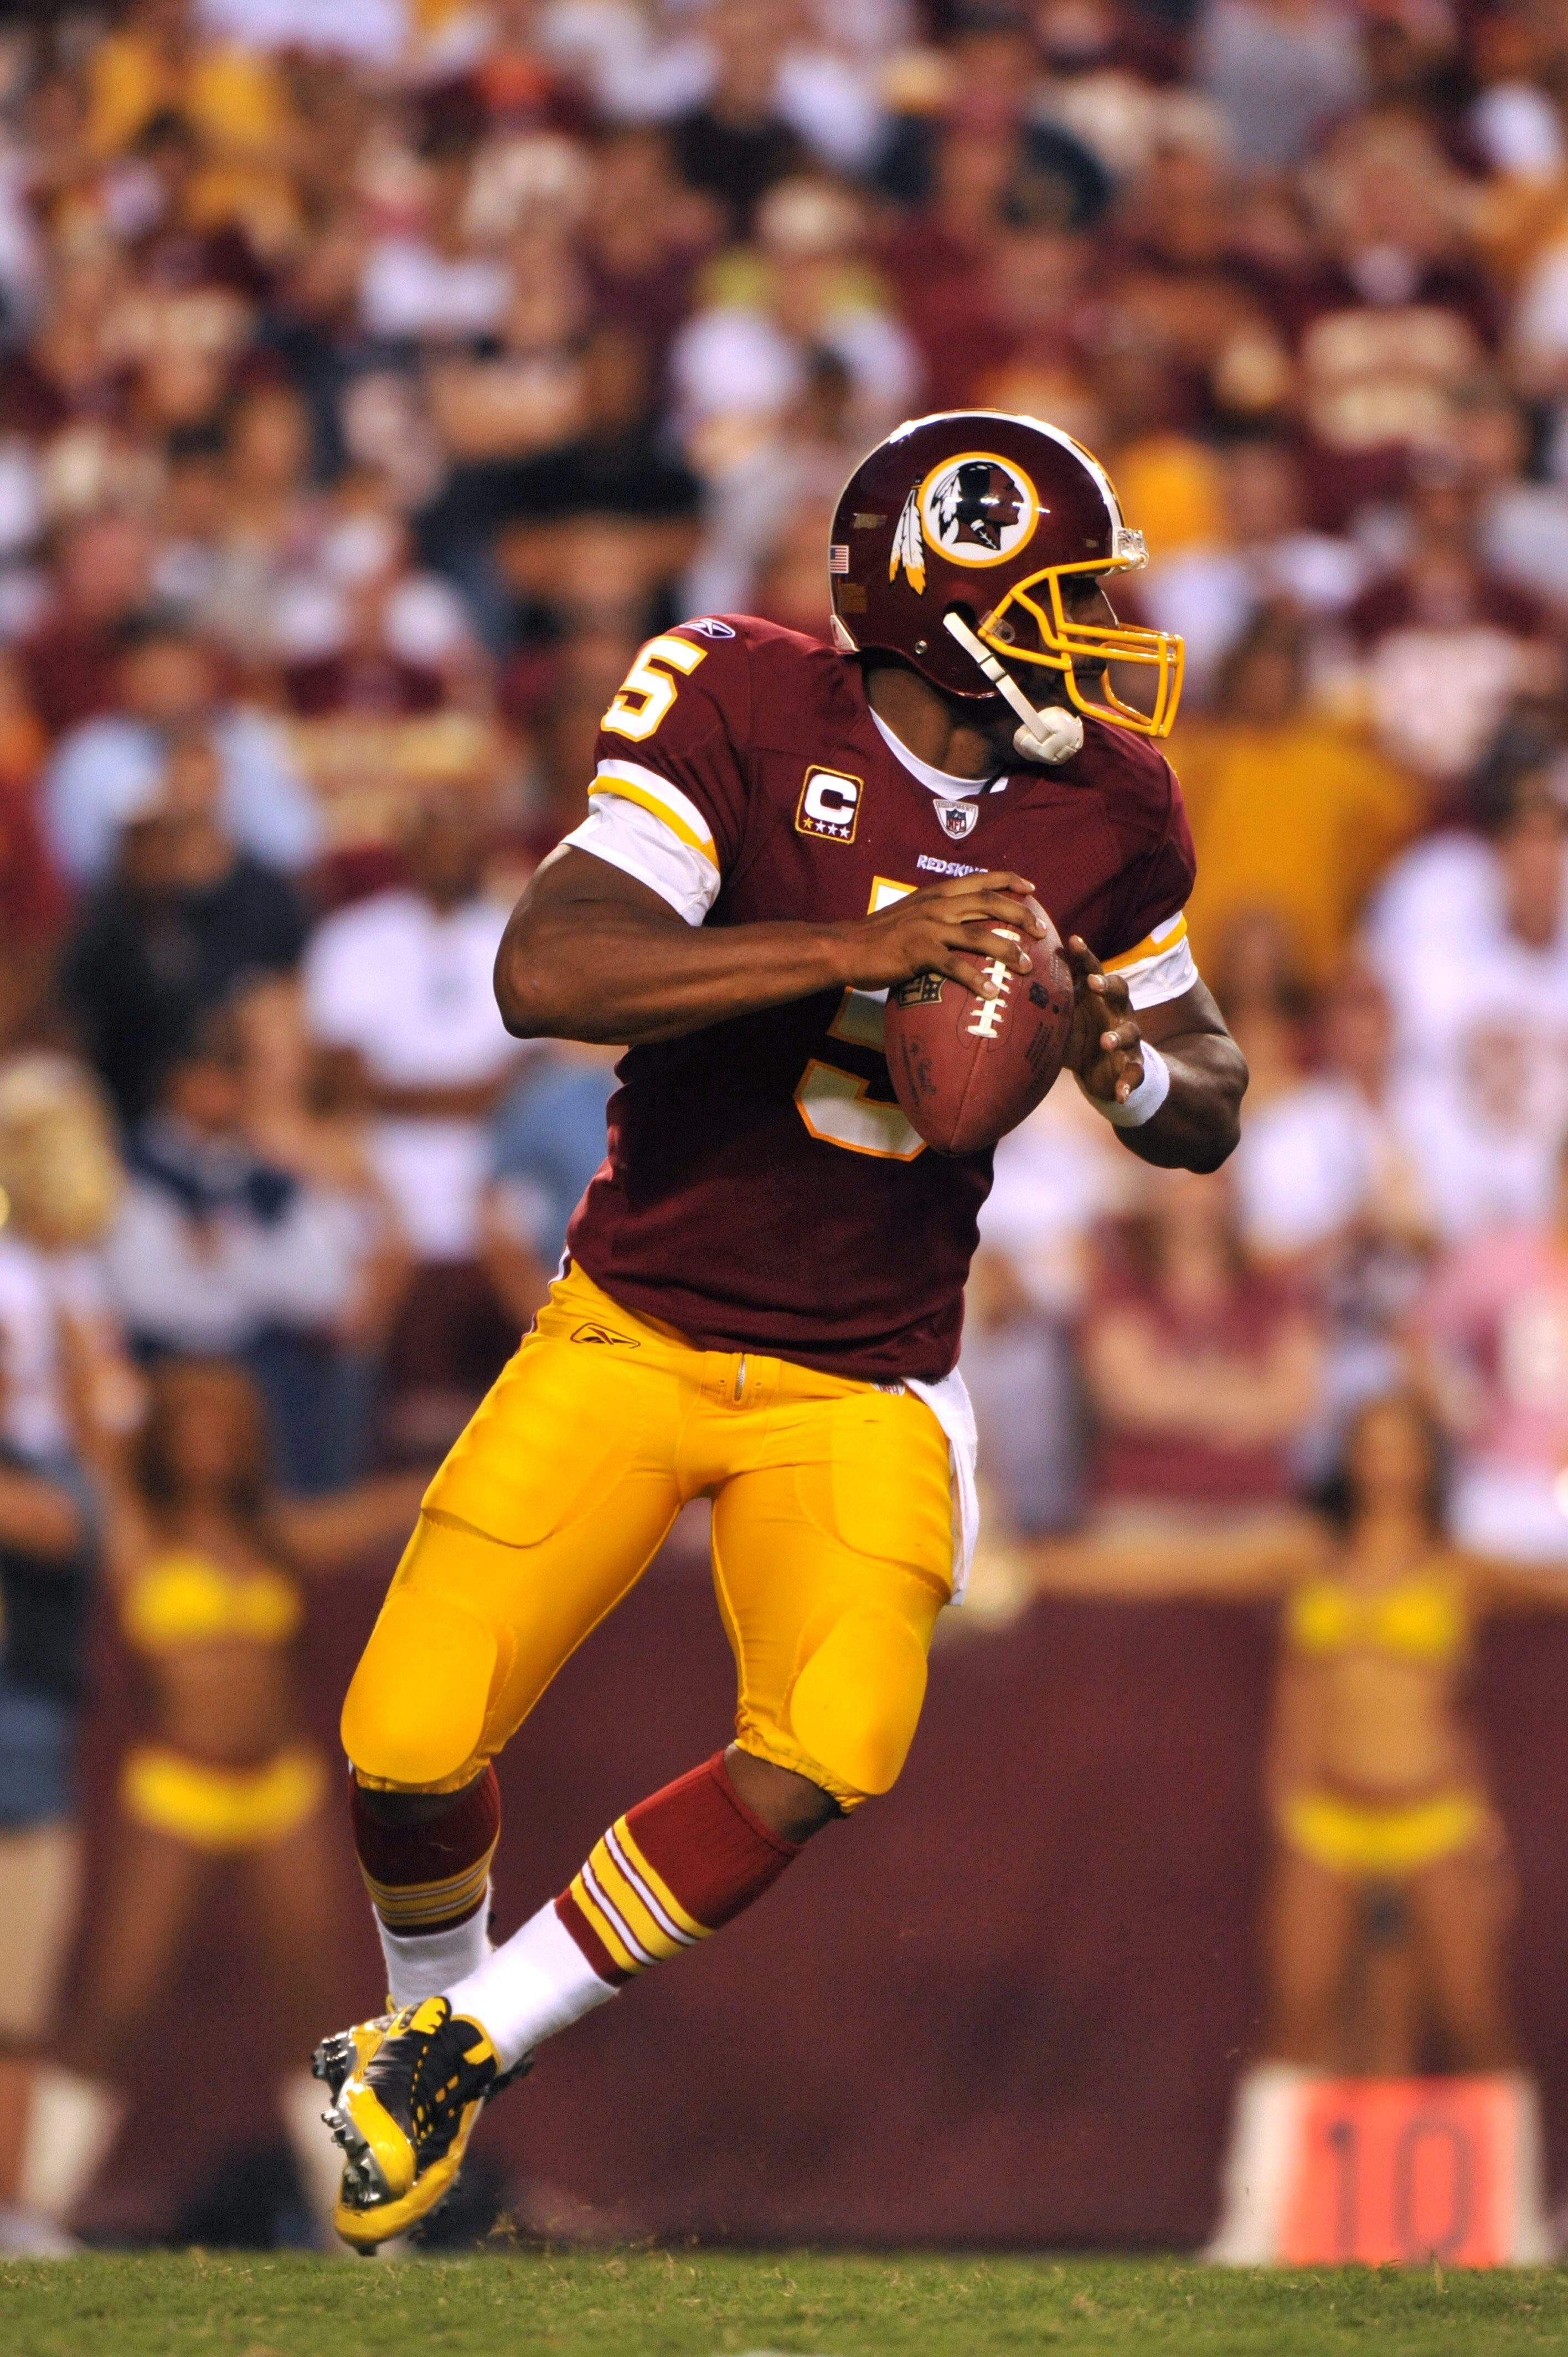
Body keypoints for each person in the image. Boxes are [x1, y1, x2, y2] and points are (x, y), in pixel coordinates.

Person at [307, 407, 1247, 2248]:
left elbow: (1205, 1085)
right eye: (1058, 598)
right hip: (636, 1321)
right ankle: (429, 2055)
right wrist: (852, 948)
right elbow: (547, 971)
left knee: (829, 1746)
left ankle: (445, 2055)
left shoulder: (1114, 802)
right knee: (405, 1744)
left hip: (864, 1367)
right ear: (937, 600)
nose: (1096, 632)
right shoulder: (742, 697)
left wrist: (1119, 1061)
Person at [1029, 1392, 1562, 2262]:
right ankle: (1254, 2226)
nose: (1388, 1464)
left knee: (1474, 2020)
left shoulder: (1459, 1566)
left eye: (1404, 1448)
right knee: (1297, 2019)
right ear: (1347, 1460)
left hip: (1436, 1816)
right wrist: (1025, 1564)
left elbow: (1551, 1587)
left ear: (1429, 1462)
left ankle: (1519, 2229)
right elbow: (1177, 1567)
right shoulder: (1308, 1553)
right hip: (1325, 1818)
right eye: (1370, 1445)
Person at [44, 1358, 424, 2245]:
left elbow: (389, 1511)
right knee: (115, 2005)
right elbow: (85, 1423)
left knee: (318, 2008)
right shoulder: (136, 1532)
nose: (208, 1442)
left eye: (225, 1426)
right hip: (176, 1789)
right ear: (163, 1440)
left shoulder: (274, 1537)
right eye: (191, 1424)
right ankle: (31, 2209)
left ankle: (362, 2222)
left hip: (279, 1790)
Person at [0, 1057, 133, 2256]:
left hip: (45, 1643)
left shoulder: (55, 1273)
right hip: (19, 1621)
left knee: (27, 1947)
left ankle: (16, 2203)